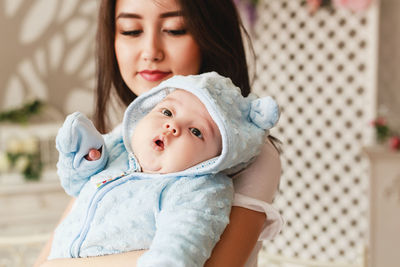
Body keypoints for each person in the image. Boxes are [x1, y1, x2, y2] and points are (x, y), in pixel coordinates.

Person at [35, 0, 283, 266]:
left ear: (211, 35)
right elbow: (48, 253)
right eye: (131, 30)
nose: (151, 51)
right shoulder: (123, 144)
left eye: (175, 29)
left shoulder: (251, 157)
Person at [48, 72, 280, 266]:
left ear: (214, 160)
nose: (173, 126)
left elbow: (180, 245)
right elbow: (75, 186)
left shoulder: (196, 190)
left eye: (196, 131)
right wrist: (82, 158)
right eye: (167, 112)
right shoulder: (118, 150)